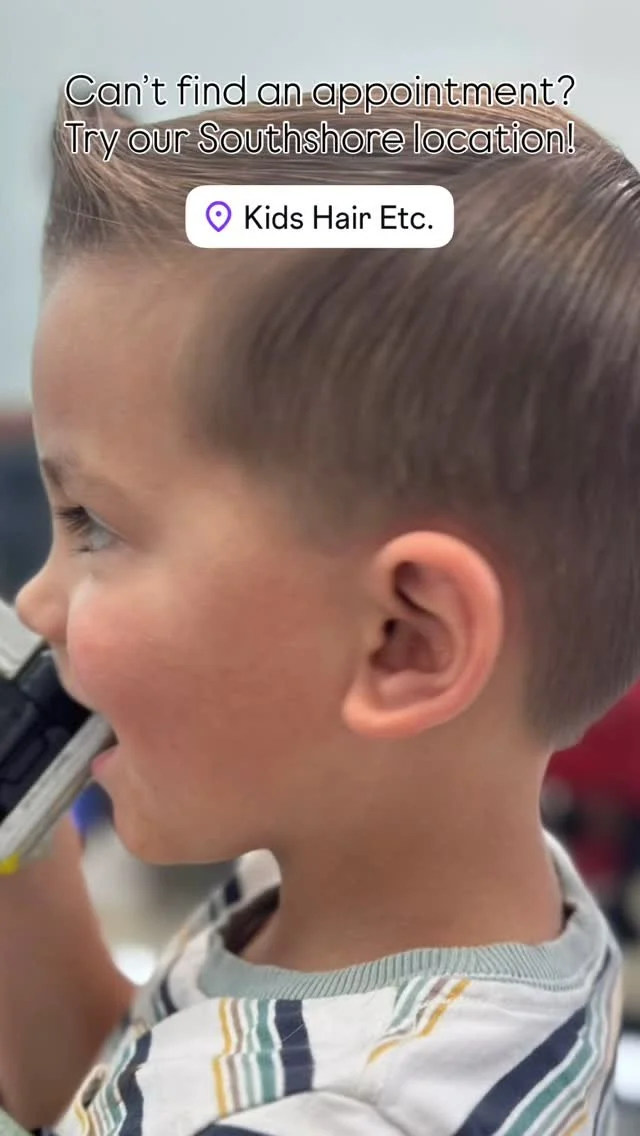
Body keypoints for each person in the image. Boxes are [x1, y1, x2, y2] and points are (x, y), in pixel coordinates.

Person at [0, 91, 636, 1134]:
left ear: (402, 641)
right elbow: (118, 1084)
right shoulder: (392, 893)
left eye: (95, 524)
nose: (35, 599)